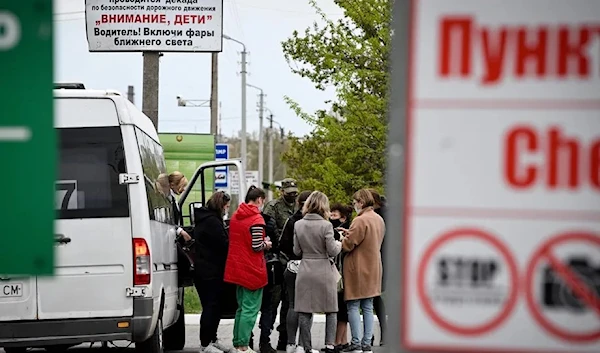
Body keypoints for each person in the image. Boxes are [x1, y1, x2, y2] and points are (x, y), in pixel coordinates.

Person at [224, 186, 272, 353]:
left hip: (237, 268)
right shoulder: (256, 219)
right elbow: (256, 245)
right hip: (252, 269)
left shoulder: (236, 216)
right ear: (259, 199)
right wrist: (267, 244)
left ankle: (237, 343)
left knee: (241, 308)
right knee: (251, 309)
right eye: (263, 200)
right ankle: (244, 346)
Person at [294, 191, 342, 353]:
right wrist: (340, 241)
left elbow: (296, 250)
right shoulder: (326, 226)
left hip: (305, 269)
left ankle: (306, 347)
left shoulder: (298, 224)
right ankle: (329, 344)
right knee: (330, 309)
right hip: (323, 270)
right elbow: (333, 250)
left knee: (304, 309)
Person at [338, 189, 385, 353]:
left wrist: (344, 238)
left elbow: (348, 245)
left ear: (361, 202)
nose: (354, 204)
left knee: (353, 305)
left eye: (355, 202)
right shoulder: (378, 219)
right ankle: (366, 343)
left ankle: (356, 343)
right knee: (368, 305)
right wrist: (349, 234)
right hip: (374, 266)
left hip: (358, 268)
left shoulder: (360, 220)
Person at [193, 191, 232, 353]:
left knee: (215, 307)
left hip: (206, 269)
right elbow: (223, 245)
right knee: (210, 307)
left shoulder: (207, 219)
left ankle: (212, 339)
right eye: (227, 207)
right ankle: (205, 343)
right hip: (209, 271)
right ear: (221, 206)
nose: (227, 210)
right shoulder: (212, 223)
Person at [263, 178, 299, 350]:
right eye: (289, 192)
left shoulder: (299, 207)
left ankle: (284, 339)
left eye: (295, 192)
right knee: (273, 301)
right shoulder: (273, 207)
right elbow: (268, 228)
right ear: (282, 192)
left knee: (289, 301)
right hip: (277, 259)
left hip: (294, 259)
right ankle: (265, 339)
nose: (292, 195)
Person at [278, 190, 313, 353]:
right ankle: (302, 345)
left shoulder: (292, 221)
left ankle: (290, 343)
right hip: (312, 266)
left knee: (292, 305)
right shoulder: (319, 222)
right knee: (307, 307)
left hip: (293, 266)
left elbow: (282, 244)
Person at [328, 203, 353, 352]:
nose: (331, 218)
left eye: (334, 216)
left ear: (343, 218)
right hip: (341, 273)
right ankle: (343, 340)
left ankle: (338, 341)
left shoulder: (346, 232)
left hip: (343, 274)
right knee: (341, 305)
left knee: (341, 307)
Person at [367, 189, 387, 347]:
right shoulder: (382, 213)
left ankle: (374, 335)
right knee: (375, 296)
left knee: (373, 296)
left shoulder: (380, 215)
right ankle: (375, 334)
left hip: (380, 259)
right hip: (383, 259)